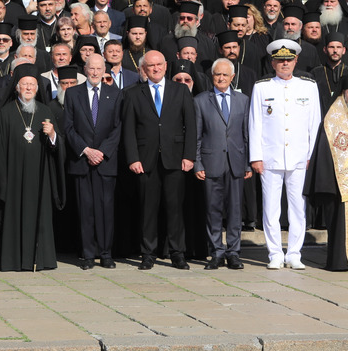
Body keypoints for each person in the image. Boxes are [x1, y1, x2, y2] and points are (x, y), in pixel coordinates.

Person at [249, 39, 321, 270]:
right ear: (273, 62)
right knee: (271, 207)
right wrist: (256, 156)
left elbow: (315, 124)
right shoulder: (262, 87)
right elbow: (255, 124)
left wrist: (313, 155)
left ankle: (294, 253)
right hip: (270, 157)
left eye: (288, 60)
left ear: (296, 60)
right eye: (280, 60)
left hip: (300, 156)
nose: (285, 64)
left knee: (298, 207)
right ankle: (274, 253)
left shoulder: (308, 86)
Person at [122, 50, 197, 270]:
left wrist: (189, 155)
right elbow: (128, 130)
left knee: (175, 208)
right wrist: (133, 158)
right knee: (148, 209)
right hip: (145, 160)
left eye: (159, 65)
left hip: (175, 159)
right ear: (144, 69)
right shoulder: (134, 93)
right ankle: (148, 253)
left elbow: (191, 125)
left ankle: (177, 253)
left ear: (166, 66)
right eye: (150, 66)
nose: (155, 69)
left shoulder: (180, 90)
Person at [0, 63, 66, 271]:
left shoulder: (45, 111)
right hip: (13, 178)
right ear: (16, 87)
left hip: (39, 180)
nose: (28, 88)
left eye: (32, 85)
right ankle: (13, 260)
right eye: (24, 84)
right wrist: (3, 182)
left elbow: (57, 147)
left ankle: (40, 259)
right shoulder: (6, 112)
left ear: (37, 88)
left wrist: (52, 134)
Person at [63, 54, 123, 269]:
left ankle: (106, 253)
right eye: (91, 68)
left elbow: (118, 128)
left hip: (106, 162)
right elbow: (68, 127)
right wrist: (86, 150)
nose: (95, 72)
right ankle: (88, 254)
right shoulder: (72, 94)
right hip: (82, 161)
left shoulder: (115, 94)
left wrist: (102, 152)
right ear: (85, 70)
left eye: (99, 69)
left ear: (104, 69)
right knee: (85, 210)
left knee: (106, 209)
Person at [305, 73, 348, 271]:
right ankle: (343, 260)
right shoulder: (332, 120)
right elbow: (325, 153)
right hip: (343, 186)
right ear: (343, 94)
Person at [194, 58, 251, 270]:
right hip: (211, 163)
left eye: (225, 75)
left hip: (236, 163)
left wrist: (247, 164)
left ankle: (234, 252)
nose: (221, 78)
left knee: (235, 210)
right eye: (217, 74)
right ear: (212, 76)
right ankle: (216, 252)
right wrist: (198, 163)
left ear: (232, 77)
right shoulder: (200, 101)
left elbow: (247, 135)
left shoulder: (243, 100)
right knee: (213, 209)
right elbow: (197, 136)